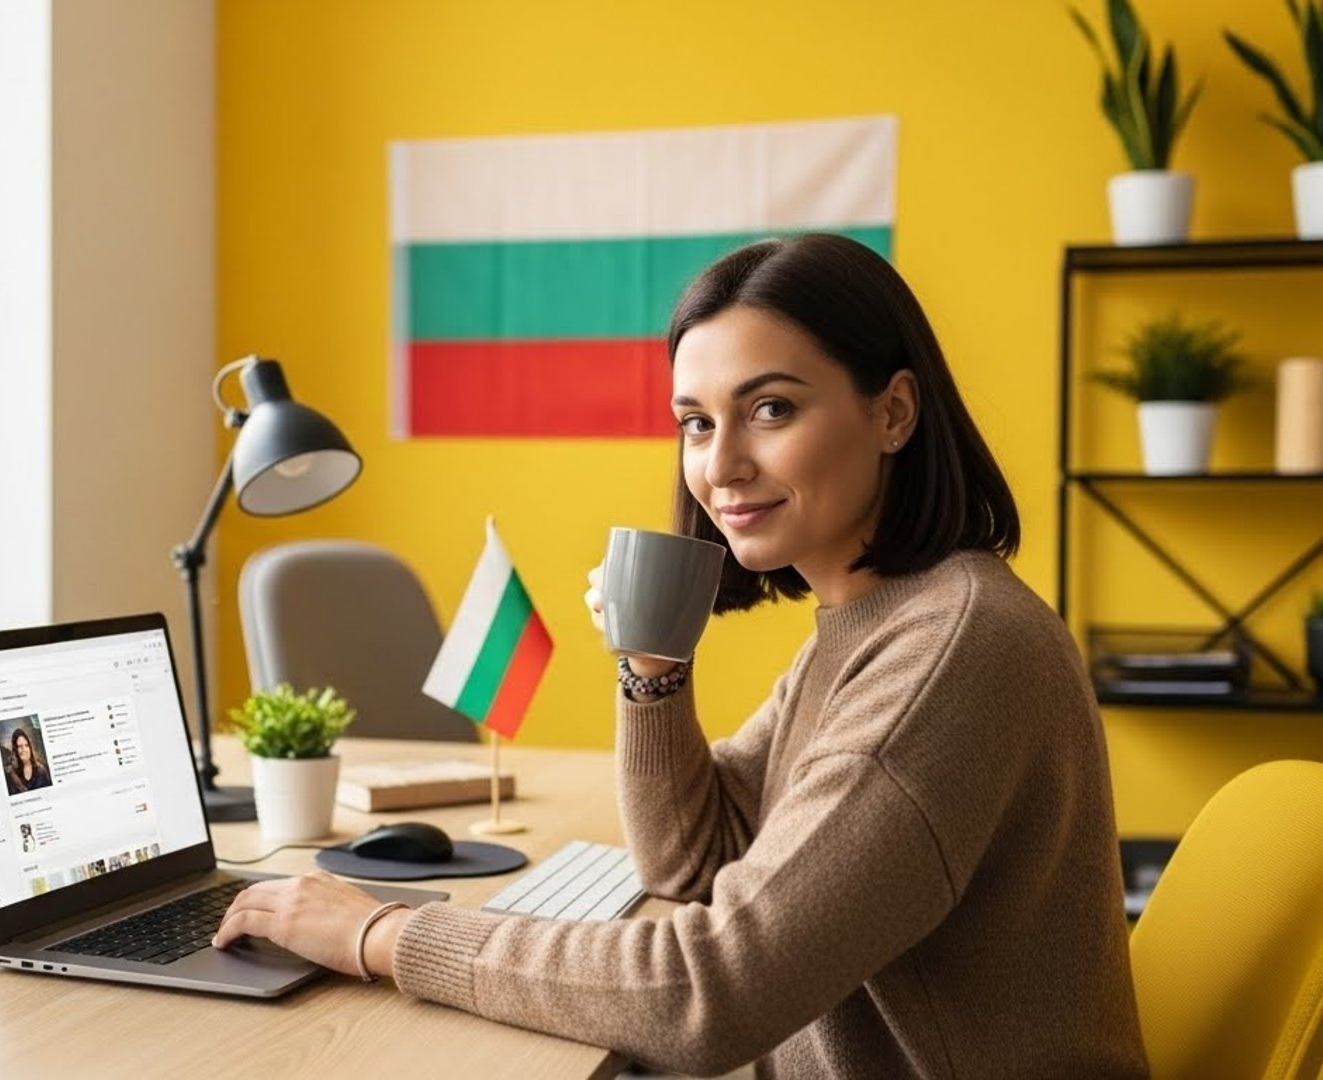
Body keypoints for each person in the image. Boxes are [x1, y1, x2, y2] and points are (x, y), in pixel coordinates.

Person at [212, 234, 1147, 1078]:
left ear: (893, 412)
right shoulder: (876, 621)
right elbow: (693, 857)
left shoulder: (953, 648)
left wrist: (386, 935)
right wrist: (652, 664)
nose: (720, 465)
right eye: (696, 422)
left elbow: (708, 990)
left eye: (770, 409)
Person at [4, 726, 52, 795]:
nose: (24, 749)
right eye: (19, 746)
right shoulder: (11, 776)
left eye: (26, 745)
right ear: (15, 750)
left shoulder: (42, 769)